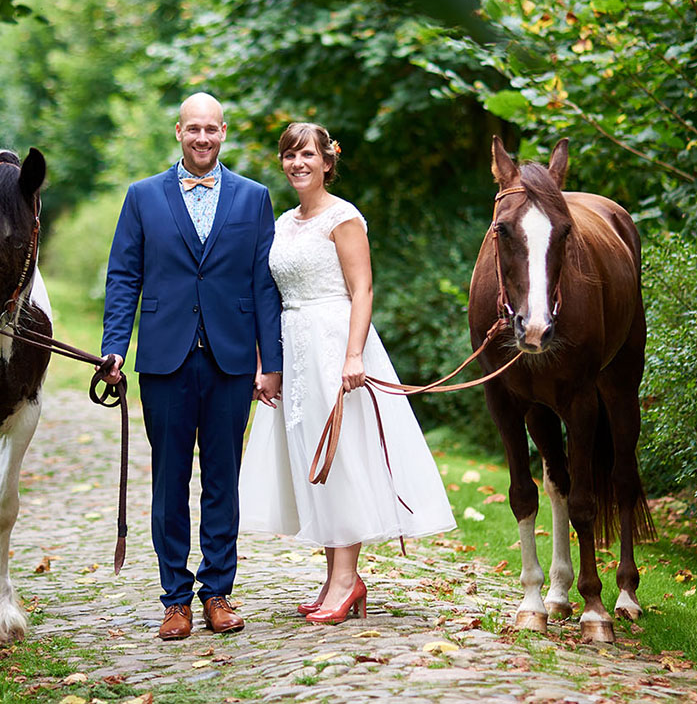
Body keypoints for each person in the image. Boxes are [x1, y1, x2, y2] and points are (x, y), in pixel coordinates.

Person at [238, 122, 456, 624]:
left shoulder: (343, 217)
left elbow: (363, 290)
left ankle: (346, 580)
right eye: (290, 155)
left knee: (341, 454)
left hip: (335, 342)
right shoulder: (285, 221)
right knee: (312, 456)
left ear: (328, 162)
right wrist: (263, 360)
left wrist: (353, 356)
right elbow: (271, 296)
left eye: (308, 155)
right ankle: (334, 577)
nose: (298, 163)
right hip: (294, 346)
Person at [100, 93, 283, 641]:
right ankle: (175, 599)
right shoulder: (141, 197)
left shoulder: (254, 199)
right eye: (193, 129)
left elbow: (264, 286)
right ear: (178, 131)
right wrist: (115, 346)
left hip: (230, 360)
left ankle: (218, 592)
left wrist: (269, 363)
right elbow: (123, 277)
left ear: (223, 132)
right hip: (164, 359)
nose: (202, 138)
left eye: (212, 129)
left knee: (223, 480)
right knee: (170, 480)